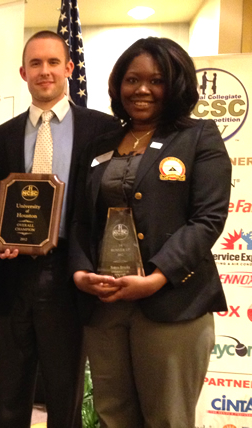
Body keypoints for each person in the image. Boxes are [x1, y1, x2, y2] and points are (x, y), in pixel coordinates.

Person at [69, 37, 230, 427]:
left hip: (172, 303)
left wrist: (157, 276)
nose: (141, 89)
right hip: (106, 306)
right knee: (113, 415)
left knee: (167, 418)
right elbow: (80, 220)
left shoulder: (198, 137)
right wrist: (80, 272)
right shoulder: (102, 143)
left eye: (155, 80)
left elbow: (207, 219)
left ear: (175, 84)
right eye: (131, 79)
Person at [0, 30, 119, 428]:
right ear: (23, 72)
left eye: (53, 62)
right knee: (7, 394)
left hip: (68, 274)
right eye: (36, 64)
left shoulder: (103, 130)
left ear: (68, 68)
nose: (45, 71)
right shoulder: (0, 137)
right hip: (12, 275)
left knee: (65, 396)